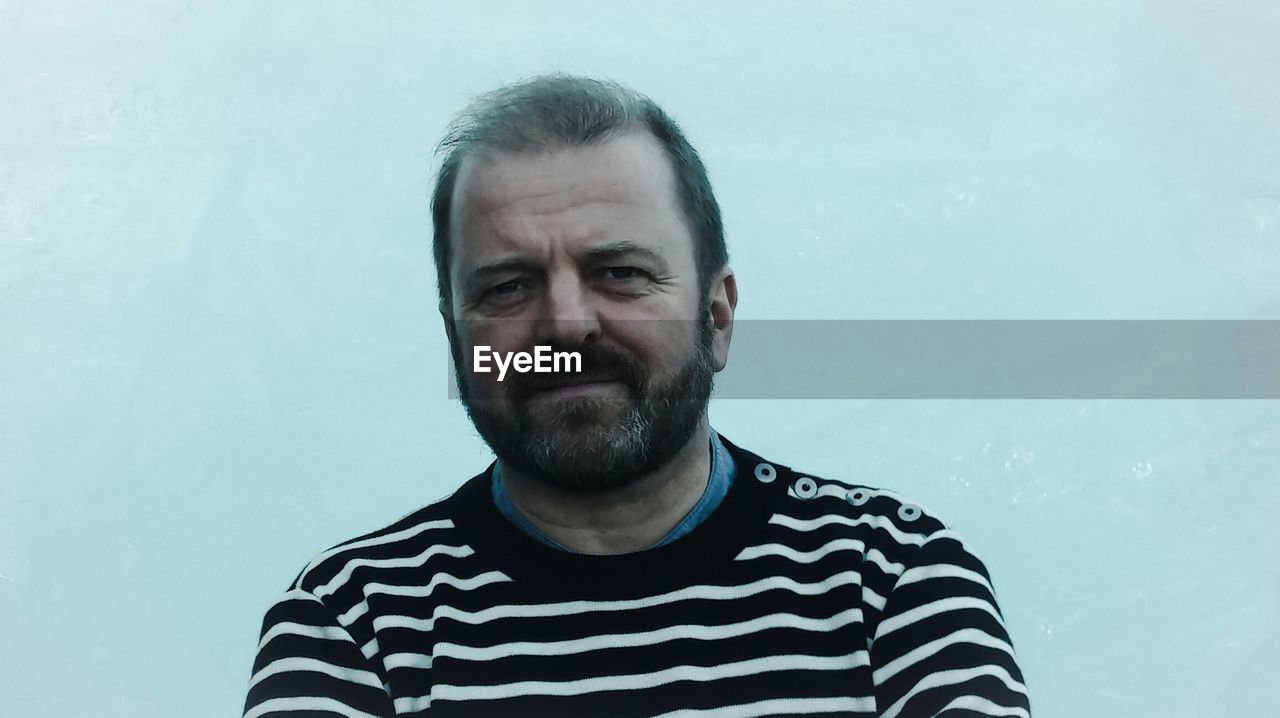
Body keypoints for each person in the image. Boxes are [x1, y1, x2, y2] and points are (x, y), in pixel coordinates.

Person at [243, 73, 1031, 718]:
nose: (566, 326)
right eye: (507, 287)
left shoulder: (890, 579)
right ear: (458, 337)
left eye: (619, 273)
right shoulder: (352, 623)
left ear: (717, 317)